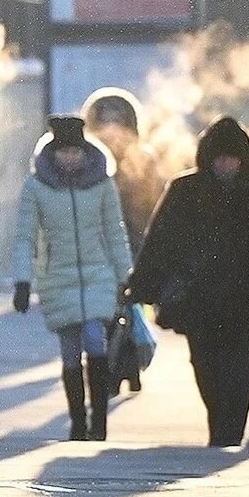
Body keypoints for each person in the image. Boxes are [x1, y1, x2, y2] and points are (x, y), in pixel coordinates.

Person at [127, 116, 249, 447]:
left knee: (238, 373)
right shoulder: (185, 191)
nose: (225, 164)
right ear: (207, 158)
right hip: (199, 305)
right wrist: (141, 285)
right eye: (219, 157)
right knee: (206, 371)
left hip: (244, 305)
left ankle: (227, 435)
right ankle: (221, 430)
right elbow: (160, 242)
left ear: (243, 159)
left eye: (231, 158)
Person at [12, 115, 132, 442]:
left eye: (75, 151)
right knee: (69, 350)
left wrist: (127, 278)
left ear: (84, 150)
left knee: (95, 339)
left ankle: (99, 421)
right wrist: (22, 280)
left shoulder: (102, 184)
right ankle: (78, 421)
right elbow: (24, 236)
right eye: (63, 151)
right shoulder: (36, 187)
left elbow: (114, 233)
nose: (70, 157)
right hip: (57, 278)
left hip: (97, 274)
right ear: (52, 152)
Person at [82, 88, 164, 395]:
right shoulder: (89, 161)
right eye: (106, 122)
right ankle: (117, 370)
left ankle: (127, 366)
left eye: (119, 122)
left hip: (134, 245)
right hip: (98, 248)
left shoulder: (143, 160)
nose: (113, 130)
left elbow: (154, 204)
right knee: (106, 312)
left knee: (130, 308)